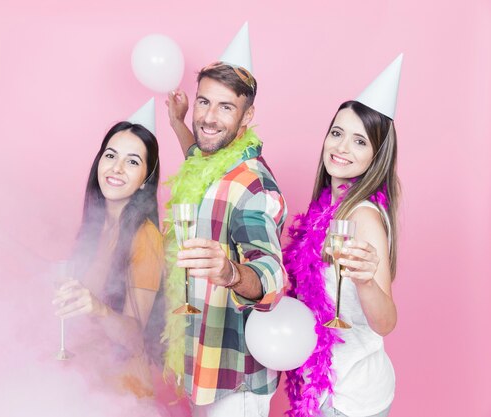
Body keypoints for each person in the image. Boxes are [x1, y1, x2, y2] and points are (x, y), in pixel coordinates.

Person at [163, 61, 287, 417]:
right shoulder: (209, 161)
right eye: (204, 102)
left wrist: (231, 272)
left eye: (226, 107)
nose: (209, 117)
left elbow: (272, 274)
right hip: (202, 366)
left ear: (247, 116)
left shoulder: (253, 186)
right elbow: (197, 155)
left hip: (235, 384)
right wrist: (177, 121)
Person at [284, 100, 400, 417]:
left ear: (376, 156)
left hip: (350, 398)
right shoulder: (325, 209)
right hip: (321, 389)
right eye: (337, 133)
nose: (342, 147)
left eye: (359, 141)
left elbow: (386, 322)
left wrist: (365, 280)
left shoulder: (364, 217)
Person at [52, 121, 164, 399]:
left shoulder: (146, 238)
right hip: (88, 388)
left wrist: (97, 308)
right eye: (111, 155)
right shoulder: (97, 224)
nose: (116, 168)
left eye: (133, 161)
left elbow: (135, 339)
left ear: (145, 181)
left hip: (124, 397)